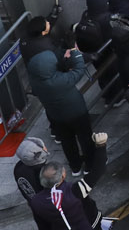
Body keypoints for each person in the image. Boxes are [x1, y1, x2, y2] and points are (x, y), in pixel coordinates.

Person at [27, 34, 104, 179]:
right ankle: (90, 165)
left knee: (67, 142)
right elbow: (79, 70)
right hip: (77, 113)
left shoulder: (36, 82)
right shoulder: (61, 80)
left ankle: (75, 167)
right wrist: (75, 53)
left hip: (57, 116)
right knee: (85, 139)